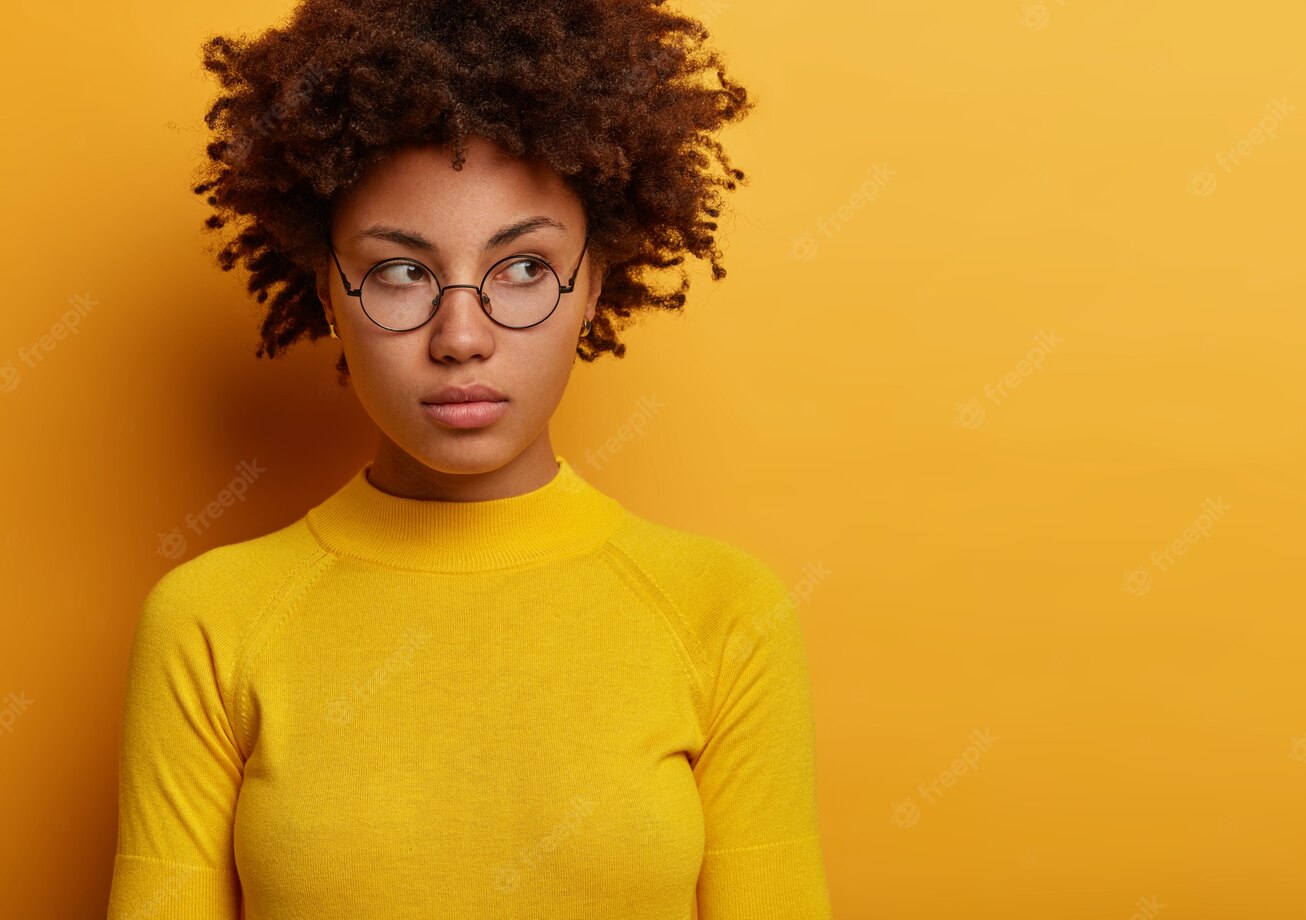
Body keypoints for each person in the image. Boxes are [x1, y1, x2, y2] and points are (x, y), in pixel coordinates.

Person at [107, 1, 832, 918]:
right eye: (402, 271)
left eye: (523, 267)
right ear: (330, 290)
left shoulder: (726, 616)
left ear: (593, 287)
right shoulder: (209, 623)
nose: (461, 337)